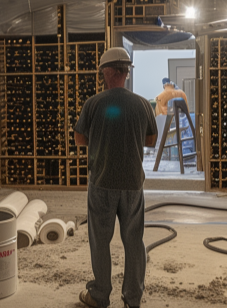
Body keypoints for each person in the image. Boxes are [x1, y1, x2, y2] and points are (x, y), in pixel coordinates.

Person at [73, 47, 157, 308]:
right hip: (132, 183)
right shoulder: (142, 103)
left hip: (102, 182)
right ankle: (133, 298)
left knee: (100, 241)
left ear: (106, 72)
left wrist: (103, 136)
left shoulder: (94, 103)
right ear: (126, 72)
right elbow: (151, 140)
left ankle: (99, 295)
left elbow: (79, 139)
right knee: (134, 241)